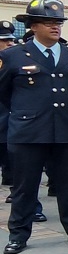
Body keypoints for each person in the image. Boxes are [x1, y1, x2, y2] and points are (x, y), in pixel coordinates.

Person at [1, 0, 68, 254]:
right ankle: (18, 235)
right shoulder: (11, 56)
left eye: (58, 22)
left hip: (66, 130)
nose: (55, 27)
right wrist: (26, 113)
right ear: (33, 26)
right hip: (28, 132)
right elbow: (4, 94)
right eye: (48, 22)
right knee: (25, 186)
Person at [0, 20, 18, 189]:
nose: (10, 43)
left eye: (10, 39)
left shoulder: (15, 62)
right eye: (4, 40)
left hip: (10, 120)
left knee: (13, 162)